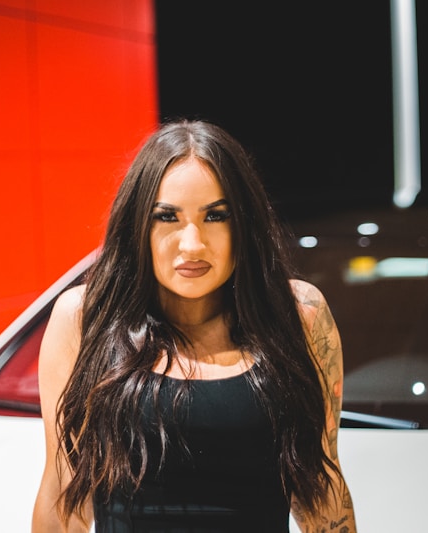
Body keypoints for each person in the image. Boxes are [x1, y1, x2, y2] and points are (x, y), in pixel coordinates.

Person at [32, 119, 357, 533]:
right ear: (138, 225)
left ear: (244, 223)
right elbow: (63, 497)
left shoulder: (299, 316)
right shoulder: (83, 319)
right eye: (167, 217)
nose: (192, 244)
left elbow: (322, 491)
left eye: (216, 216)